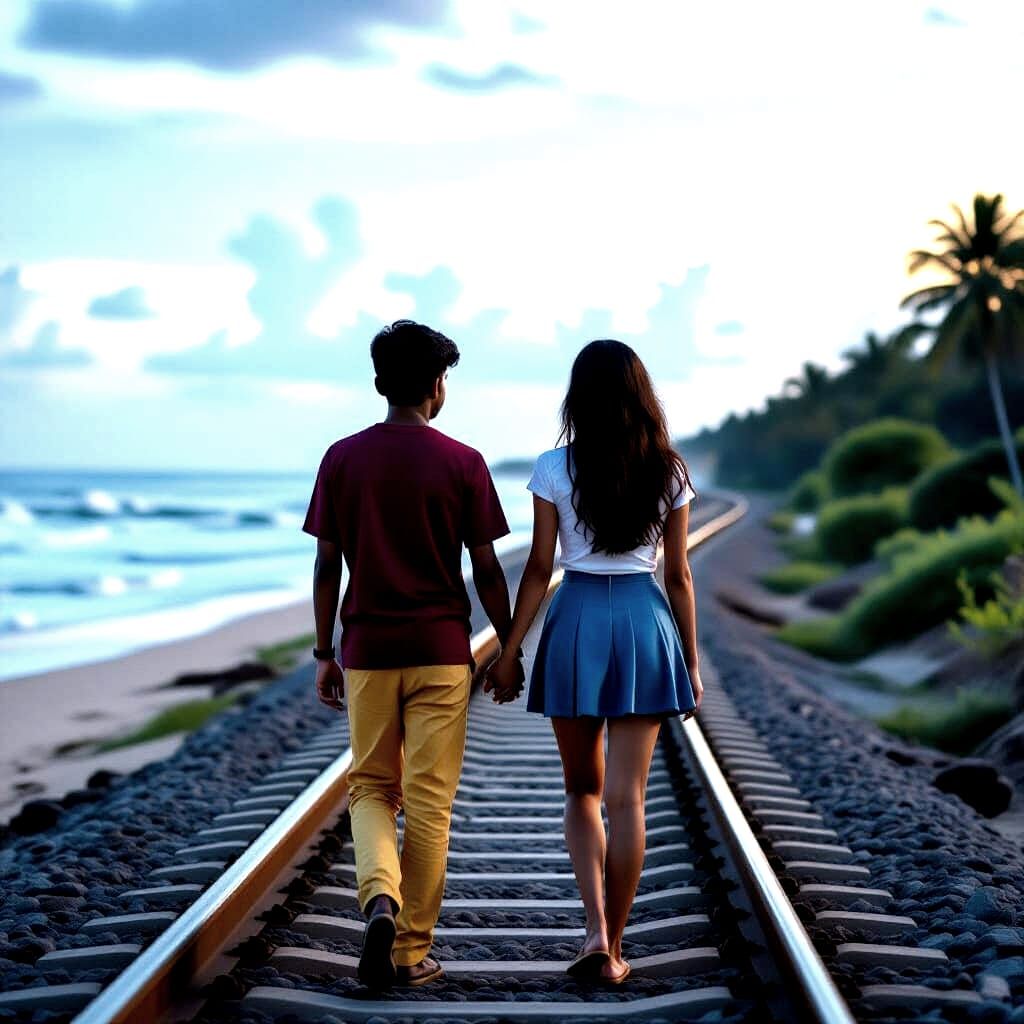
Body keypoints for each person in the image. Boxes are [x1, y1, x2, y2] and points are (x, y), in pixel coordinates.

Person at [302, 319, 524, 991]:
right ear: (437, 387)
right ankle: (408, 952)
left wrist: (323, 651)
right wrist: (508, 646)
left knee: (371, 786)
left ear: (378, 385)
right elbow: (487, 568)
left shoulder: (341, 457)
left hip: (368, 651)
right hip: (439, 653)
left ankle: (379, 900)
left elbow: (326, 566)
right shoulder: (463, 461)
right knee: (429, 800)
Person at [485, 339, 703, 985]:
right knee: (627, 799)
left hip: (576, 619)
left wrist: (509, 650)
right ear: (643, 396)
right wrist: (690, 665)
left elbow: (538, 567)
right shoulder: (668, 470)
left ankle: (594, 933)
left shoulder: (554, 468)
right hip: (643, 623)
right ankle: (617, 950)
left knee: (582, 790)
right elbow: (681, 577)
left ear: (577, 397)